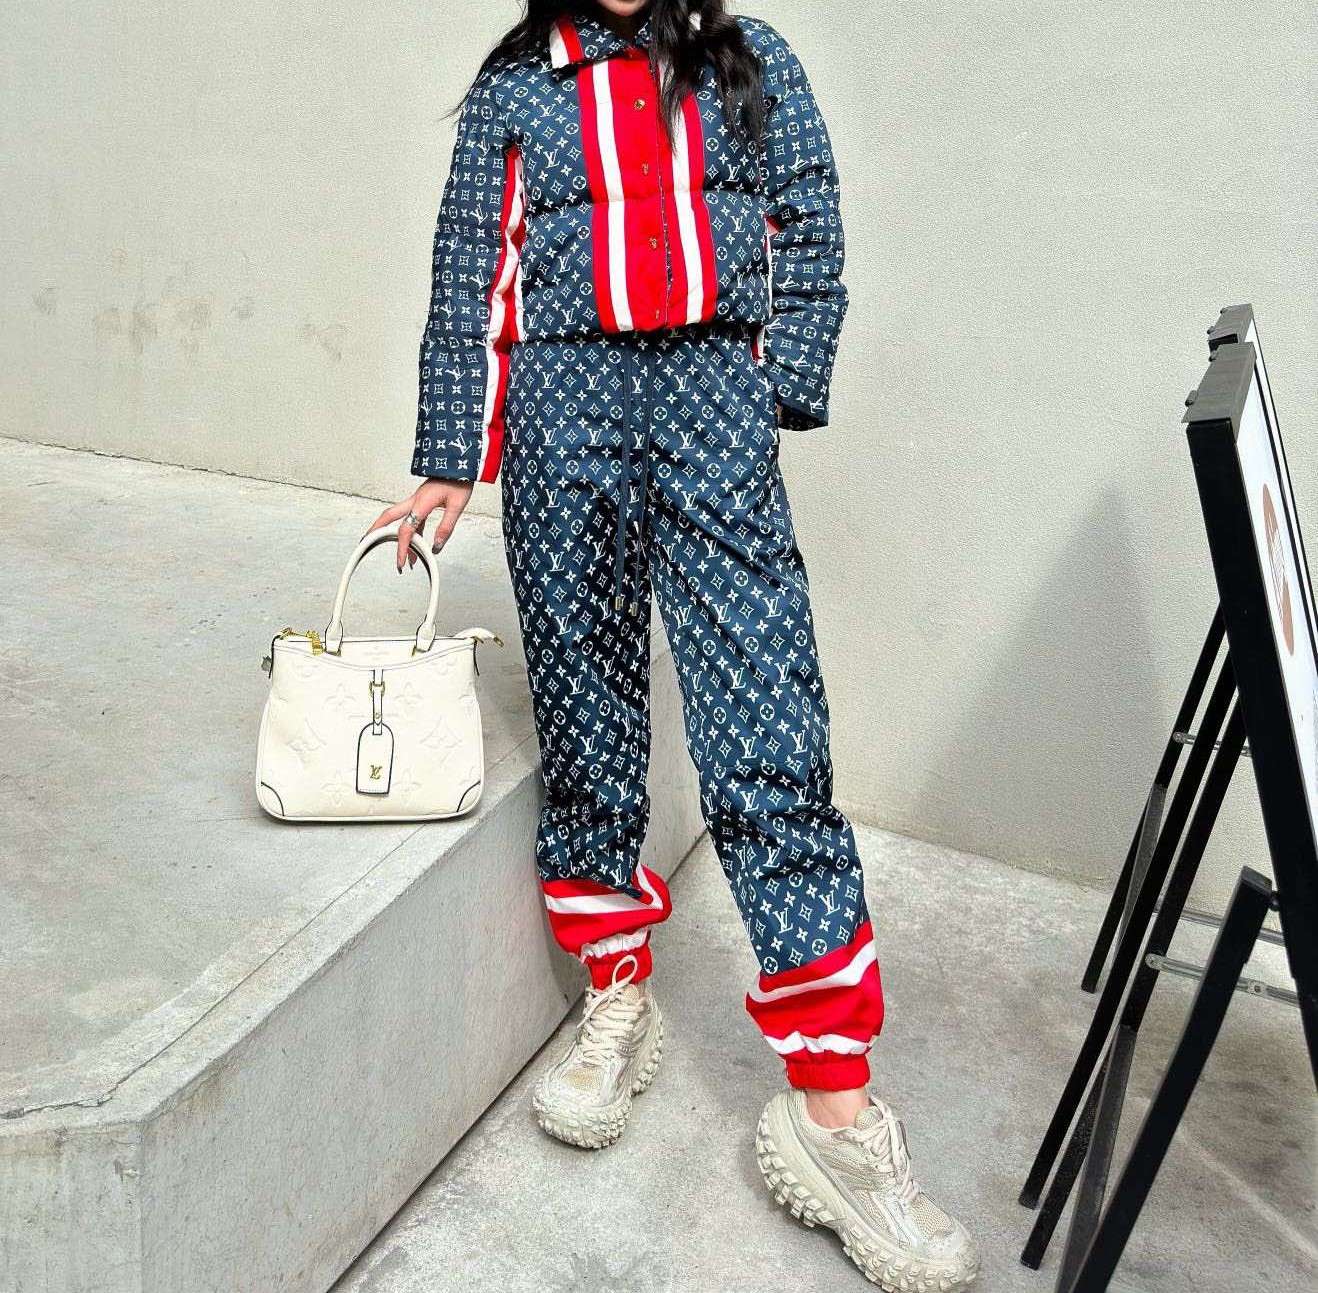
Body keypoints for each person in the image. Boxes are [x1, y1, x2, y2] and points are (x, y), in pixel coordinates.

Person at [367, 2, 979, 1287]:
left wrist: (773, 386)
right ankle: (615, 990)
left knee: (768, 729)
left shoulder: (750, 58)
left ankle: (832, 1109)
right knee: (584, 704)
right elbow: (470, 270)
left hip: (710, 396)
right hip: (560, 410)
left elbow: (808, 220)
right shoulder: (516, 88)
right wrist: (447, 459)